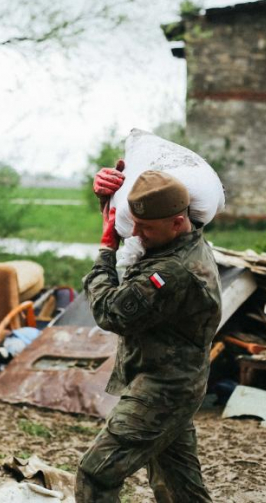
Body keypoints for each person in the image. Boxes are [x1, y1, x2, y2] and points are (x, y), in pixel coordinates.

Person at [75, 165, 222, 502]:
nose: (136, 234)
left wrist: (105, 252)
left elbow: (109, 311)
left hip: (163, 390)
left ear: (176, 222)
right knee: (177, 488)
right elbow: (148, 193)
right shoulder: (180, 235)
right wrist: (107, 195)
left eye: (146, 228)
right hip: (175, 384)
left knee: (96, 474)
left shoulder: (172, 270)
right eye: (134, 225)